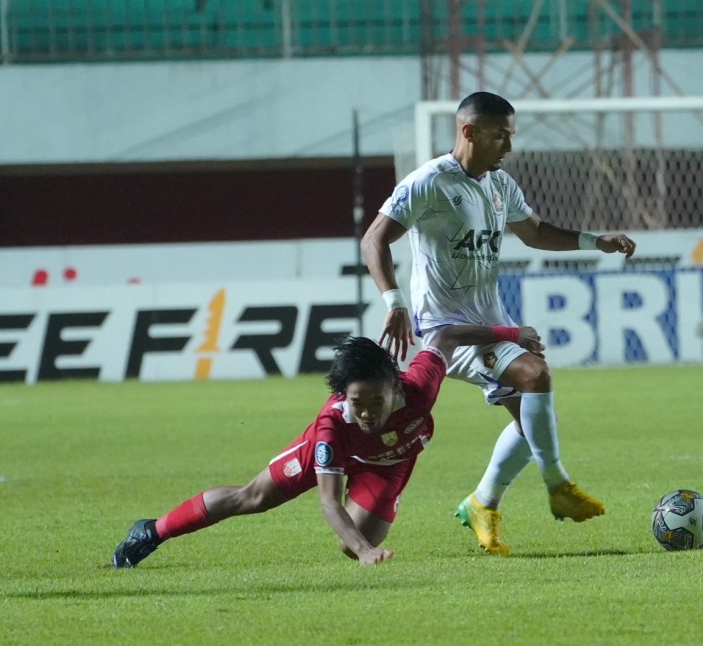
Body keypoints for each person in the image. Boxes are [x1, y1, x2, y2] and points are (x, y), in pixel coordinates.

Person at [361, 90, 637, 556]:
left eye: (511, 136)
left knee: (533, 420)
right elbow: (374, 239)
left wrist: (597, 240)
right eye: (500, 136)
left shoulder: (499, 184)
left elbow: (536, 233)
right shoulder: (428, 182)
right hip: (447, 330)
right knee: (536, 375)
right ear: (469, 132)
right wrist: (394, 300)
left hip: (491, 319)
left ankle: (482, 503)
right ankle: (558, 484)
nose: (508, 146)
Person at [110, 323, 543, 568]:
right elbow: (329, 503)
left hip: (389, 464)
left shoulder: (419, 386)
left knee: (348, 544)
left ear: (395, 387)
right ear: (345, 398)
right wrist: (367, 551)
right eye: (358, 402)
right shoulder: (331, 428)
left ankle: (360, 539)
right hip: (342, 455)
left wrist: (510, 334)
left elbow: (445, 337)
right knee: (252, 497)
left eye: (377, 400)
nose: (369, 411)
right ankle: (151, 531)